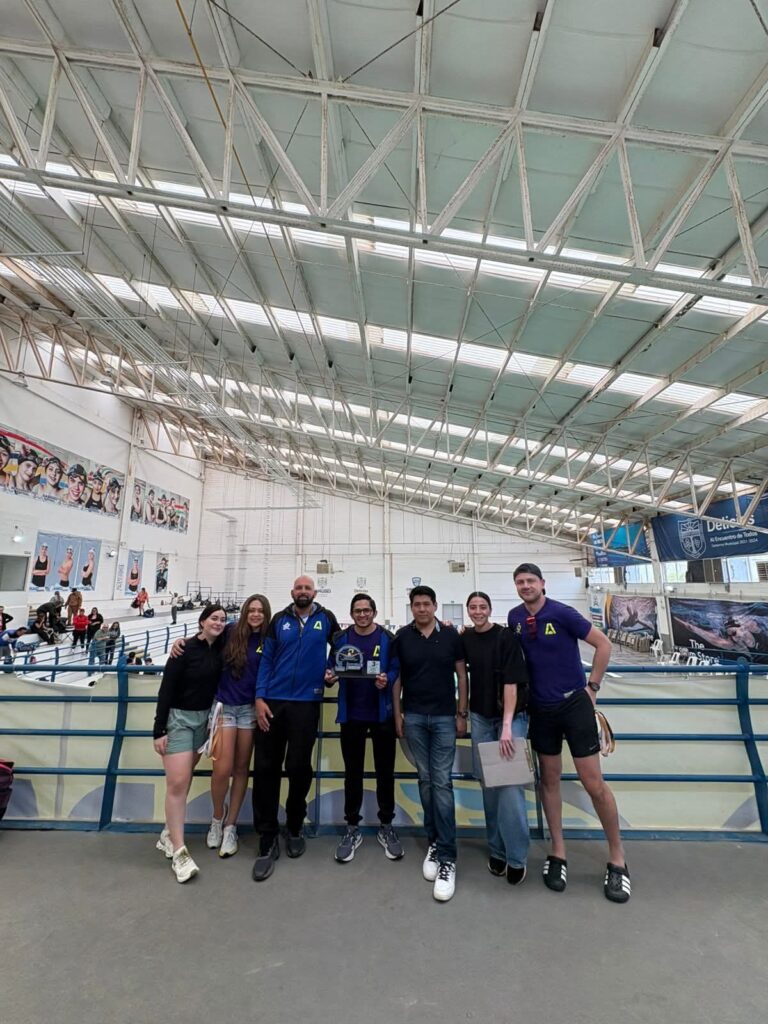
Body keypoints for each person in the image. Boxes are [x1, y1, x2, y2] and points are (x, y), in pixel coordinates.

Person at [507, 563, 628, 903]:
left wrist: (593, 687)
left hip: (574, 706)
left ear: (542, 583)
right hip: (541, 710)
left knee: (593, 783)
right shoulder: (515, 618)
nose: (526, 586)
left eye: (531, 581)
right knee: (549, 781)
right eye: (520, 582)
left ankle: (617, 858)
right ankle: (558, 852)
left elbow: (603, 645)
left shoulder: (563, 613)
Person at [251, 576, 339, 882]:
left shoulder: (326, 618)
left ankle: (294, 825)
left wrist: (332, 669)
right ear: (292, 592)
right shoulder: (279, 620)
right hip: (273, 703)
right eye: (299, 588)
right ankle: (267, 836)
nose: (303, 592)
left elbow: (342, 647)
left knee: (299, 767)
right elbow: (266, 660)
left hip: (307, 703)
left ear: (314, 592)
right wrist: (259, 698)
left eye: (307, 588)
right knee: (266, 768)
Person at [171, 595, 271, 859]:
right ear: (245, 611)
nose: (256, 614)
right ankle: (217, 818)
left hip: (249, 710)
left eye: (261, 611)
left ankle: (230, 826)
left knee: (241, 769)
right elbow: (205, 638)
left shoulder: (268, 639)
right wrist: (182, 642)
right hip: (225, 707)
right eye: (252, 610)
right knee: (222, 769)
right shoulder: (230, 631)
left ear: (266, 614)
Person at [392, 585, 467, 902]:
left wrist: (461, 712)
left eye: (426, 604)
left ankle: (448, 856)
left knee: (442, 782)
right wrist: (398, 714)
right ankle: (434, 843)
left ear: (435, 606)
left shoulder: (451, 636)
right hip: (414, 718)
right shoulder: (402, 638)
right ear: (411, 607)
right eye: (416, 604)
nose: (422, 609)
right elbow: (397, 679)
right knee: (425, 780)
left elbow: (462, 675)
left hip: (444, 718)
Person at [325, 593, 403, 863]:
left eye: (366, 610)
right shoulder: (341, 640)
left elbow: (395, 668)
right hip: (352, 717)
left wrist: (387, 678)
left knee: (385, 773)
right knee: (352, 773)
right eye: (357, 611)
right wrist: (330, 676)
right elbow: (331, 667)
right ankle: (352, 827)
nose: (362, 614)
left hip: (382, 716)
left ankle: (386, 825)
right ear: (351, 614)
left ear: (374, 612)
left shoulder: (388, 639)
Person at [153, 603, 228, 883]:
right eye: (213, 618)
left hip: (204, 721)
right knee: (178, 783)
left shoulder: (222, 648)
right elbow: (166, 689)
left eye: (222, 619)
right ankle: (179, 852)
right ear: (202, 621)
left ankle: (168, 833)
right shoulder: (183, 649)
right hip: (179, 720)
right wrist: (159, 729)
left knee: (184, 781)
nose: (218, 623)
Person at [462, 591, 530, 885]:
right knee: (489, 786)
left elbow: (511, 683)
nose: (478, 611)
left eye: (482, 607)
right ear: (467, 610)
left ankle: (517, 857)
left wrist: (506, 726)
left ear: (490, 609)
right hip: (479, 716)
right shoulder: (466, 638)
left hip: (509, 718)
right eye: (473, 607)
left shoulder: (505, 638)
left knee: (510, 787)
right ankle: (497, 850)